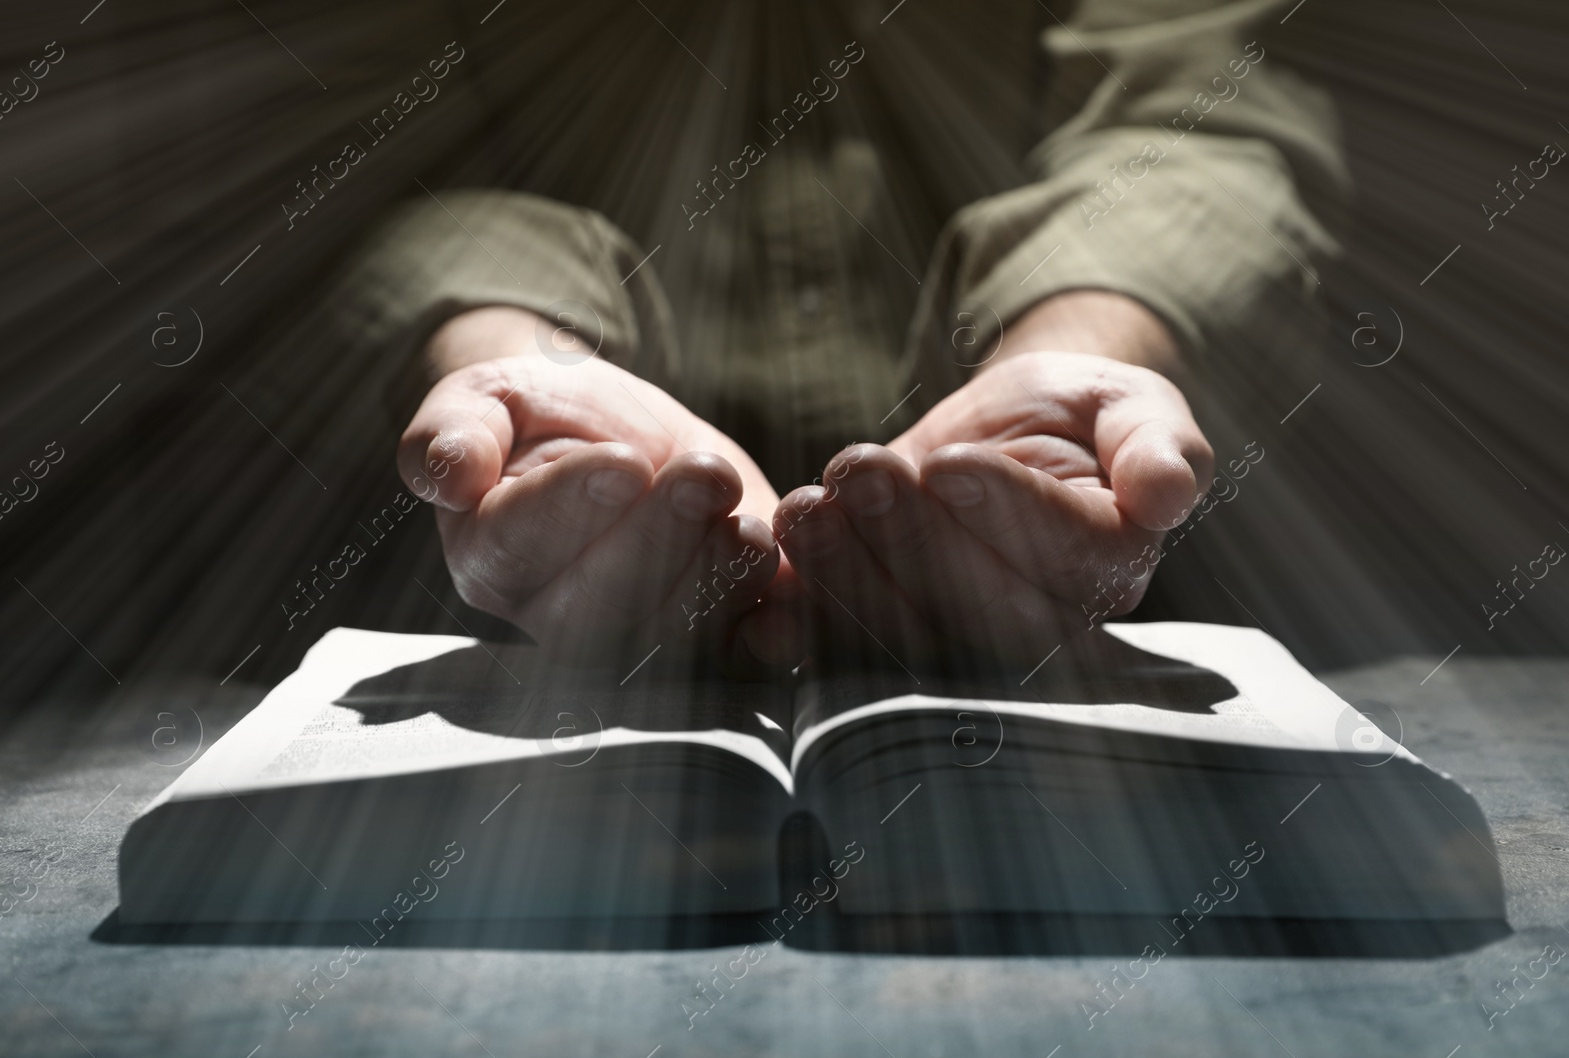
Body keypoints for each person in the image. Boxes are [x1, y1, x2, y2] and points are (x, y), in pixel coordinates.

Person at [333, 0, 1345, 677]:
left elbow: (1200, 114)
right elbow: (371, 146)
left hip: (1119, 594)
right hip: (466, 604)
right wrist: (499, 356)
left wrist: (1089, 339)